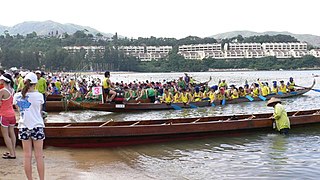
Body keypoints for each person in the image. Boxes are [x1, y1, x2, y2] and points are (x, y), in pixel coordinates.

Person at [13, 72, 45, 180]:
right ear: (35, 83)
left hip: (23, 126)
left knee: (27, 156)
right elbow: (39, 111)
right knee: (39, 156)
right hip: (37, 126)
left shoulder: (17, 96)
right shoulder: (39, 96)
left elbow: (19, 110)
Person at [0, 73, 16, 159]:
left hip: (4, 115)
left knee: (6, 135)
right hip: (12, 115)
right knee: (12, 133)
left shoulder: (2, 91)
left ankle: (12, 153)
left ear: (3, 80)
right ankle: (12, 151)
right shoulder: (12, 90)